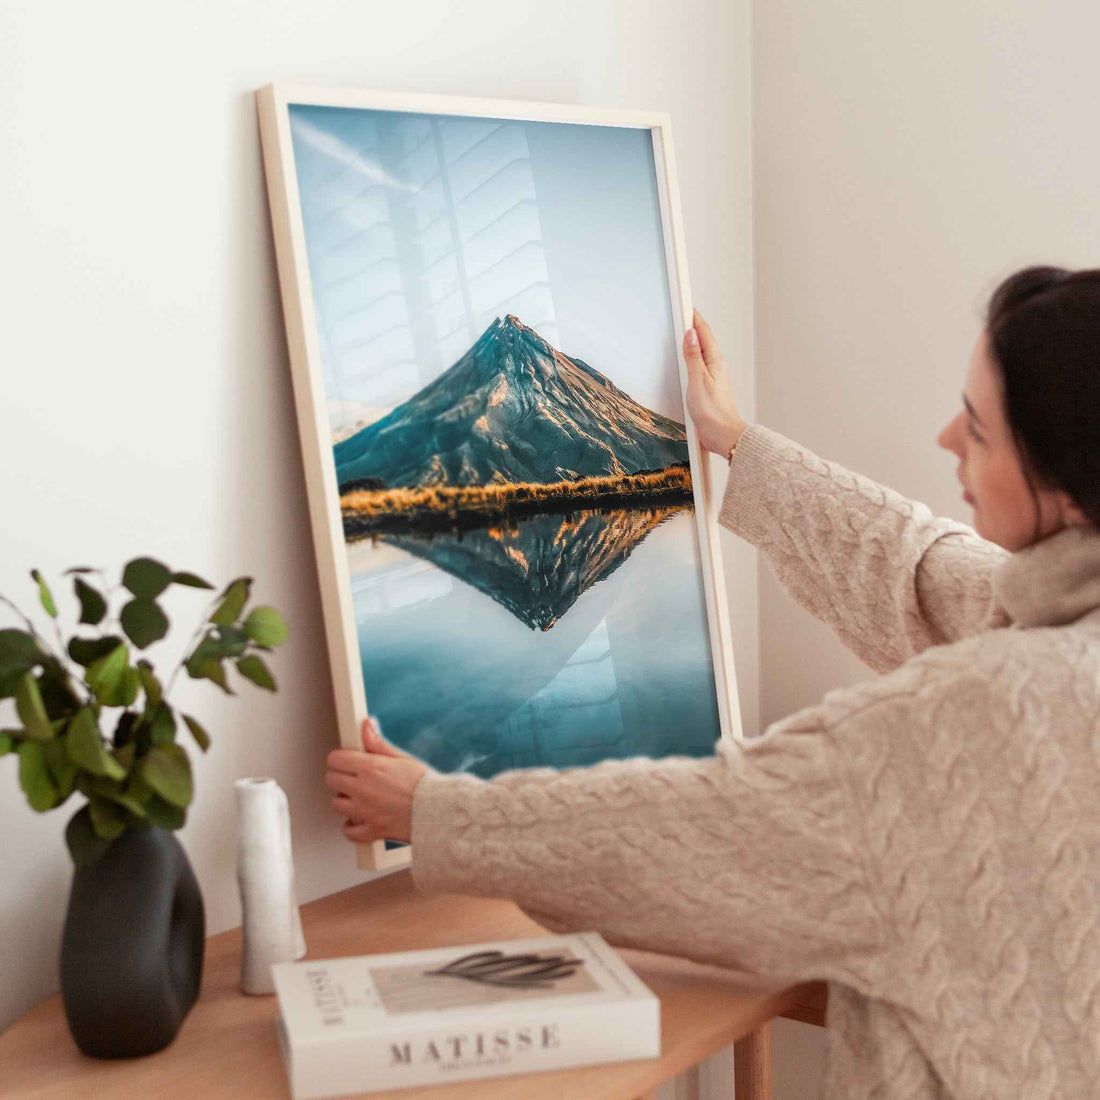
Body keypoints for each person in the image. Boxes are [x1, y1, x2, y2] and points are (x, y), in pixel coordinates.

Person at [325, 266, 1100, 1099]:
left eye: (980, 431)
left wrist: (434, 814)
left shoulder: (981, 715)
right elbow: (918, 570)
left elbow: (702, 829)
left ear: (1065, 487)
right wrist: (735, 441)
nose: (948, 438)